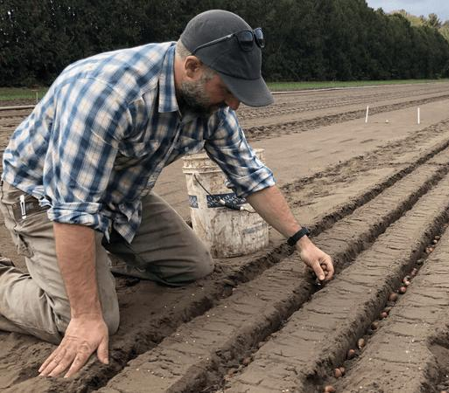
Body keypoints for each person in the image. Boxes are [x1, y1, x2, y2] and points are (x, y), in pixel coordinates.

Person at [0, 10, 334, 379]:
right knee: (91, 321)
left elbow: (250, 175)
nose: (235, 105)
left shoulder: (208, 104)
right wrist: (85, 315)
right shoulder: (106, 95)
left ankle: (94, 264)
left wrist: (302, 242)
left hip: (120, 194)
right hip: (45, 198)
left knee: (194, 266)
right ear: (191, 67)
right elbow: (73, 211)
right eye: (228, 90)